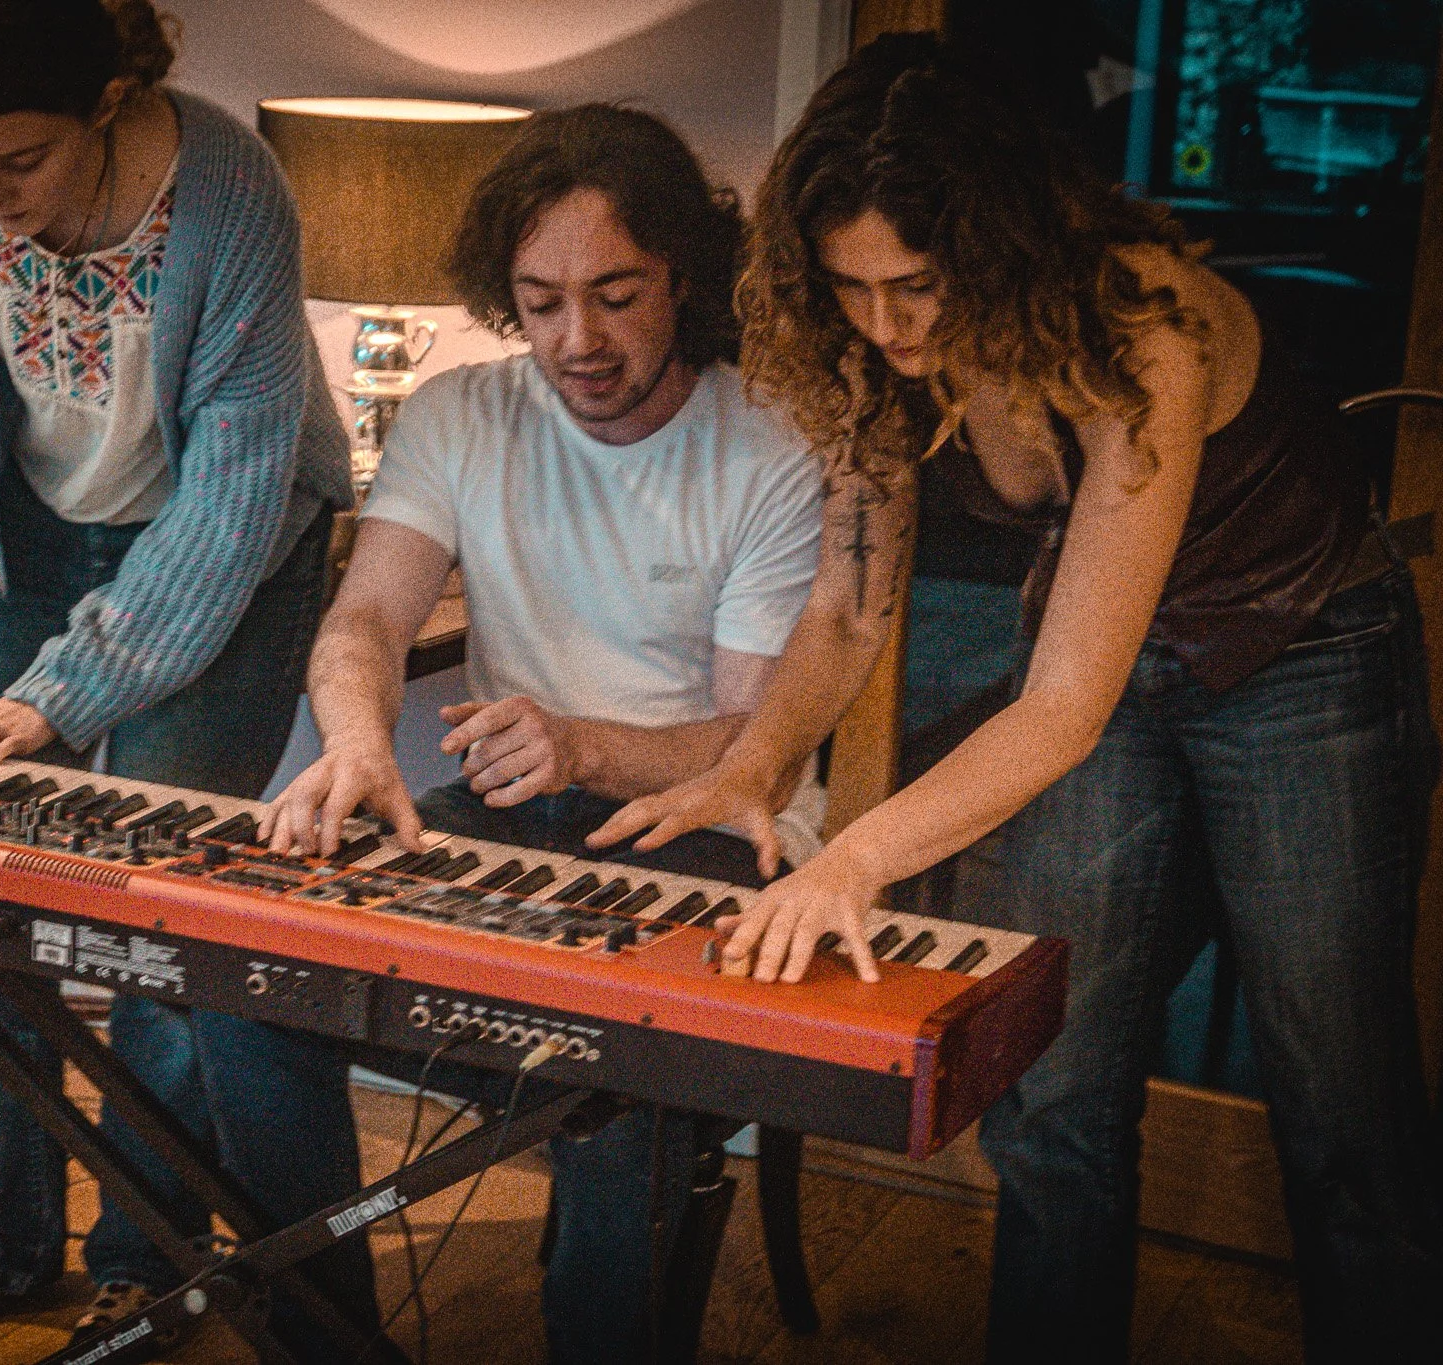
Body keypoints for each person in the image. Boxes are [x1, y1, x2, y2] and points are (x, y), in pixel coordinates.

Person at [588, 35, 1443, 1360]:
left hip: (1302, 656)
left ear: (999, 245)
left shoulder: (1141, 327)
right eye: (850, 286)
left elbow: (1058, 713)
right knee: (1050, 1081)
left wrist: (853, 861)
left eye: (917, 286)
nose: (885, 325)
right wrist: (755, 764)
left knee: (1340, 1105)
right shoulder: (866, 352)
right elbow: (850, 606)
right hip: (1101, 662)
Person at [0, 0, 374, 1354]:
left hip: (231, 546)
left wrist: (61, 694)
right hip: (34, 533)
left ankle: (146, 1255)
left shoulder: (231, 191)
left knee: (149, 912)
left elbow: (231, 490)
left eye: (22, 160)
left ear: (108, 100)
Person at [261, 104, 825, 1363]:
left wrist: (582, 746)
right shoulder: (459, 413)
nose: (578, 339)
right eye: (540, 301)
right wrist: (354, 743)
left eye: (615, 296)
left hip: (706, 831)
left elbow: (755, 746)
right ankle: (321, 1339)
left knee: (615, 1070)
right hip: (514, 818)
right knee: (255, 991)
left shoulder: (770, 442)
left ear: (681, 274)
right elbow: (364, 624)